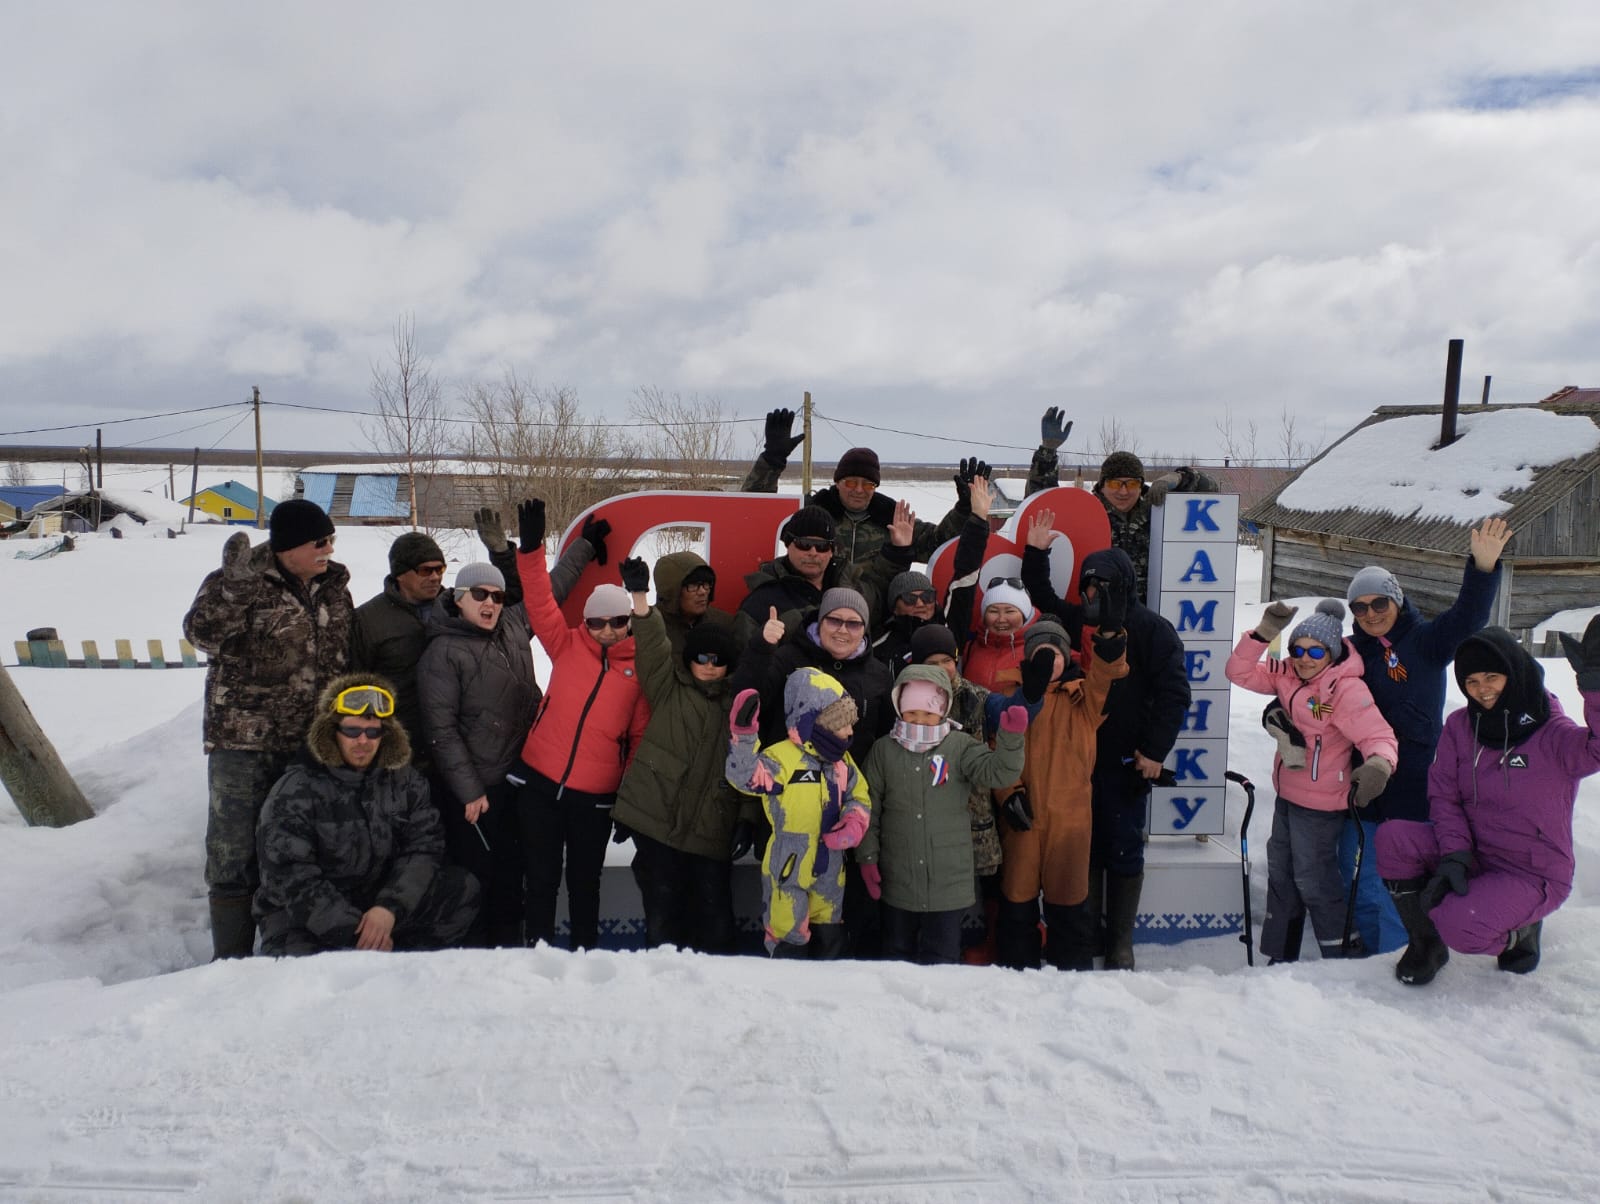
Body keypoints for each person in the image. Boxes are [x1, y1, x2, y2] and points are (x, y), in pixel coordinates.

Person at [1376, 619, 1600, 984]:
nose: (1482, 690)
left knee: (1459, 924)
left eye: (1491, 678)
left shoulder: (1551, 732)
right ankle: (1425, 944)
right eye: (1471, 682)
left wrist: (1596, 691)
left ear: (1512, 673)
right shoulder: (1462, 726)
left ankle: (1521, 931)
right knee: (1394, 839)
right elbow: (1444, 795)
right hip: (1476, 851)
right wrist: (1455, 854)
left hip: (1531, 870)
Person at [183, 498, 353, 959]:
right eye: (319, 541)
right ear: (289, 546)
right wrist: (234, 589)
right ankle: (231, 960)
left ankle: (291, 950)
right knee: (233, 853)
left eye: (331, 539)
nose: (328, 548)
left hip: (311, 744)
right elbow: (202, 634)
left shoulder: (335, 588)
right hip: (244, 743)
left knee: (296, 849)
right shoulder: (240, 583)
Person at [1338, 518, 1512, 954]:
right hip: (1359, 783)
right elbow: (1309, 688)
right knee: (1357, 875)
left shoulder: (1427, 642)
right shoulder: (1348, 651)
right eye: (1360, 607)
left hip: (1413, 785)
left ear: (1396, 599)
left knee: (1397, 880)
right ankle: (1361, 949)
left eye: (1380, 602)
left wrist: (1483, 568)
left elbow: (1468, 616)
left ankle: (1396, 953)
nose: (1371, 613)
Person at [1019, 533, 1191, 969]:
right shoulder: (1081, 621)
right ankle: (1089, 934)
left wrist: (1153, 751)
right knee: (1085, 848)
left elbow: (1174, 695)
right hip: (1076, 762)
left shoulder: (1153, 629)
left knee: (1123, 847)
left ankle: (1120, 942)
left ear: (1123, 585)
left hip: (1125, 761)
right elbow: (1043, 597)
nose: (1093, 595)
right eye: (1089, 587)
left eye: (1102, 587)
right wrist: (1036, 553)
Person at [254, 674, 480, 955]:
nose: (363, 740)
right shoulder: (295, 791)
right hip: (309, 918)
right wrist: (353, 931)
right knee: (308, 980)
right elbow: (290, 877)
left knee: (461, 889)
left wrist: (388, 909)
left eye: (373, 732)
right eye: (352, 731)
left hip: (377, 907)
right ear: (331, 731)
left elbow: (424, 848)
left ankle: (404, 967)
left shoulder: (405, 781)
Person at [510, 499, 650, 951]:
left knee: (585, 885)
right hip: (539, 784)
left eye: (617, 622)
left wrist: (628, 799)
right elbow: (539, 599)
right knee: (542, 879)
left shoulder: (640, 670)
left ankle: (586, 958)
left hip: (595, 797)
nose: (606, 630)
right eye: (596, 622)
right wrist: (531, 549)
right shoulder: (565, 644)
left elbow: (640, 738)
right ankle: (538, 955)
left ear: (629, 622)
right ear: (584, 622)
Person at [1226, 600, 1399, 962]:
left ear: (1331, 652)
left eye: (1315, 650)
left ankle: (1340, 954)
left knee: (1314, 880)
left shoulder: (1345, 690)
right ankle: (1280, 954)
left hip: (1322, 805)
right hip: (1287, 795)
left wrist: (1379, 766)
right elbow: (1237, 672)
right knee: (1282, 875)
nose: (1304, 658)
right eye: (1298, 649)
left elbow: (1378, 735)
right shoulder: (1286, 674)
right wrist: (1263, 634)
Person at [351, 516, 604, 757]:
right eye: (425, 570)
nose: (435, 577)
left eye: (440, 569)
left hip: (480, 746)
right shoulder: (370, 621)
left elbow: (533, 600)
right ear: (400, 573)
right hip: (408, 745)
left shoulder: (462, 604)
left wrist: (504, 555)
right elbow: (355, 687)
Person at [611, 555, 747, 953]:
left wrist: (747, 817)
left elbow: (752, 765)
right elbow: (652, 645)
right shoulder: (669, 689)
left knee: (716, 927)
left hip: (710, 831)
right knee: (662, 921)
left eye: (719, 661)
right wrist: (638, 596)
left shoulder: (739, 708)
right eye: (702, 658)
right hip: (659, 825)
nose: (710, 666)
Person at [859, 665, 1028, 965]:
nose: (920, 721)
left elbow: (999, 772)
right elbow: (867, 809)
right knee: (896, 956)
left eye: (928, 714)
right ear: (899, 709)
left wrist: (1011, 739)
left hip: (948, 882)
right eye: (912, 713)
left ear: (944, 710)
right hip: (898, 879)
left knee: (944, 958)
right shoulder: (884, 750)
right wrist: (868, 858)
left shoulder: (960, 746)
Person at [993, 619, 1128, 971]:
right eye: (1040, 653)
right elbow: (991, 750)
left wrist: (1111, 639)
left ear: (1066, 657)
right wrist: (1008, 794)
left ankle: (1073, 976)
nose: (1047, 661)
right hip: (1023, 819)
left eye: (1054, 654)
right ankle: (1015, 973)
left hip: (1070, 822)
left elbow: (1107, 674)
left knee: (1069, 904)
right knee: (1017, 902)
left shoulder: (1084, 699)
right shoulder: (1009, 697)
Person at [416, 562, 538, 948]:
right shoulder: (443, 651)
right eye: (480, 594)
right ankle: (474, 962)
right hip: (475, 795)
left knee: (512, 878)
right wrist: (469, 790)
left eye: (498, 596)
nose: (490, 603)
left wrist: (584, 547)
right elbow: (441, 729)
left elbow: (551, 592)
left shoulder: (513, 627)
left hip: (516, 783)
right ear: (458, 598)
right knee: (477, 881)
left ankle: (509, 959)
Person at [725, 670, 871, 957]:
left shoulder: (843, 762)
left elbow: (859, 795)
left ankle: (826, 986)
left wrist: (854, 821)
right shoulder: (783, 758)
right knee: (788, 929)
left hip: (830, 864)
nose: (850, 731)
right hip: (789, 861)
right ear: (816, 722)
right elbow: (746, 778)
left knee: (830, 929)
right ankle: (788, 983)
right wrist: (744, 737)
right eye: (841, 724)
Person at [741, 405, 975, 568]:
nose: (859, 490)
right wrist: (771, 460)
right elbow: (755, 516)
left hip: (875, 620)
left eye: (868, 484)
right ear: (838, 483)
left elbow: (939, 545)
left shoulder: (893, 520)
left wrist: (964, 509)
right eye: (851, 482)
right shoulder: (813, 513)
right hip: (815, 614)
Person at [1024, 406, 1218, 601]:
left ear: (1141, 485)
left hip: (1149, 615)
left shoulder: (1157, 511)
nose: (1123, 491)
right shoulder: (1087, 513)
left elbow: (1212, 489)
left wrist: (1178, 478)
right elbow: (1042, 500)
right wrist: (1047, 452)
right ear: (1102, 485)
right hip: (1097, 617)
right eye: (1116, 483)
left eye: (1132, 483)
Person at [737, 505, 861, 642]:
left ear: (831, 551)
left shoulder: (853, 588)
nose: (813, 553)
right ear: (788, 545)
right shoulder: (761, 600)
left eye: (822, 546)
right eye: (804, 544)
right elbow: (745, 657)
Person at [649, 550, 733, 657]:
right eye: (693, 586)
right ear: (672, 591)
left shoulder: (724, 624)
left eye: (706, 584)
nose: (703, 592)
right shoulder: (650, 628)